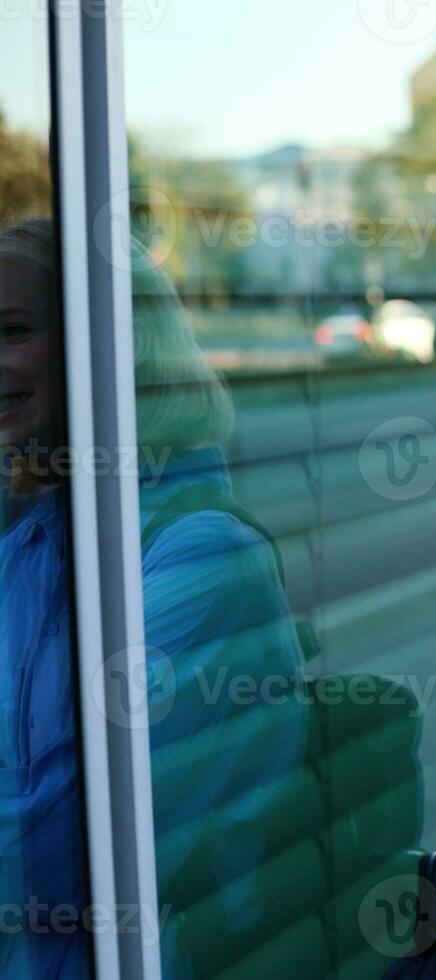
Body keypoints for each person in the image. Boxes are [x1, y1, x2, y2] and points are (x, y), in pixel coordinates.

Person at [0, 217, 309, 977]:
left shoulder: (201, 554)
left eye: (12, 329)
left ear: (111, 344)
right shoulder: (38, 536)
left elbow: (66, 838)